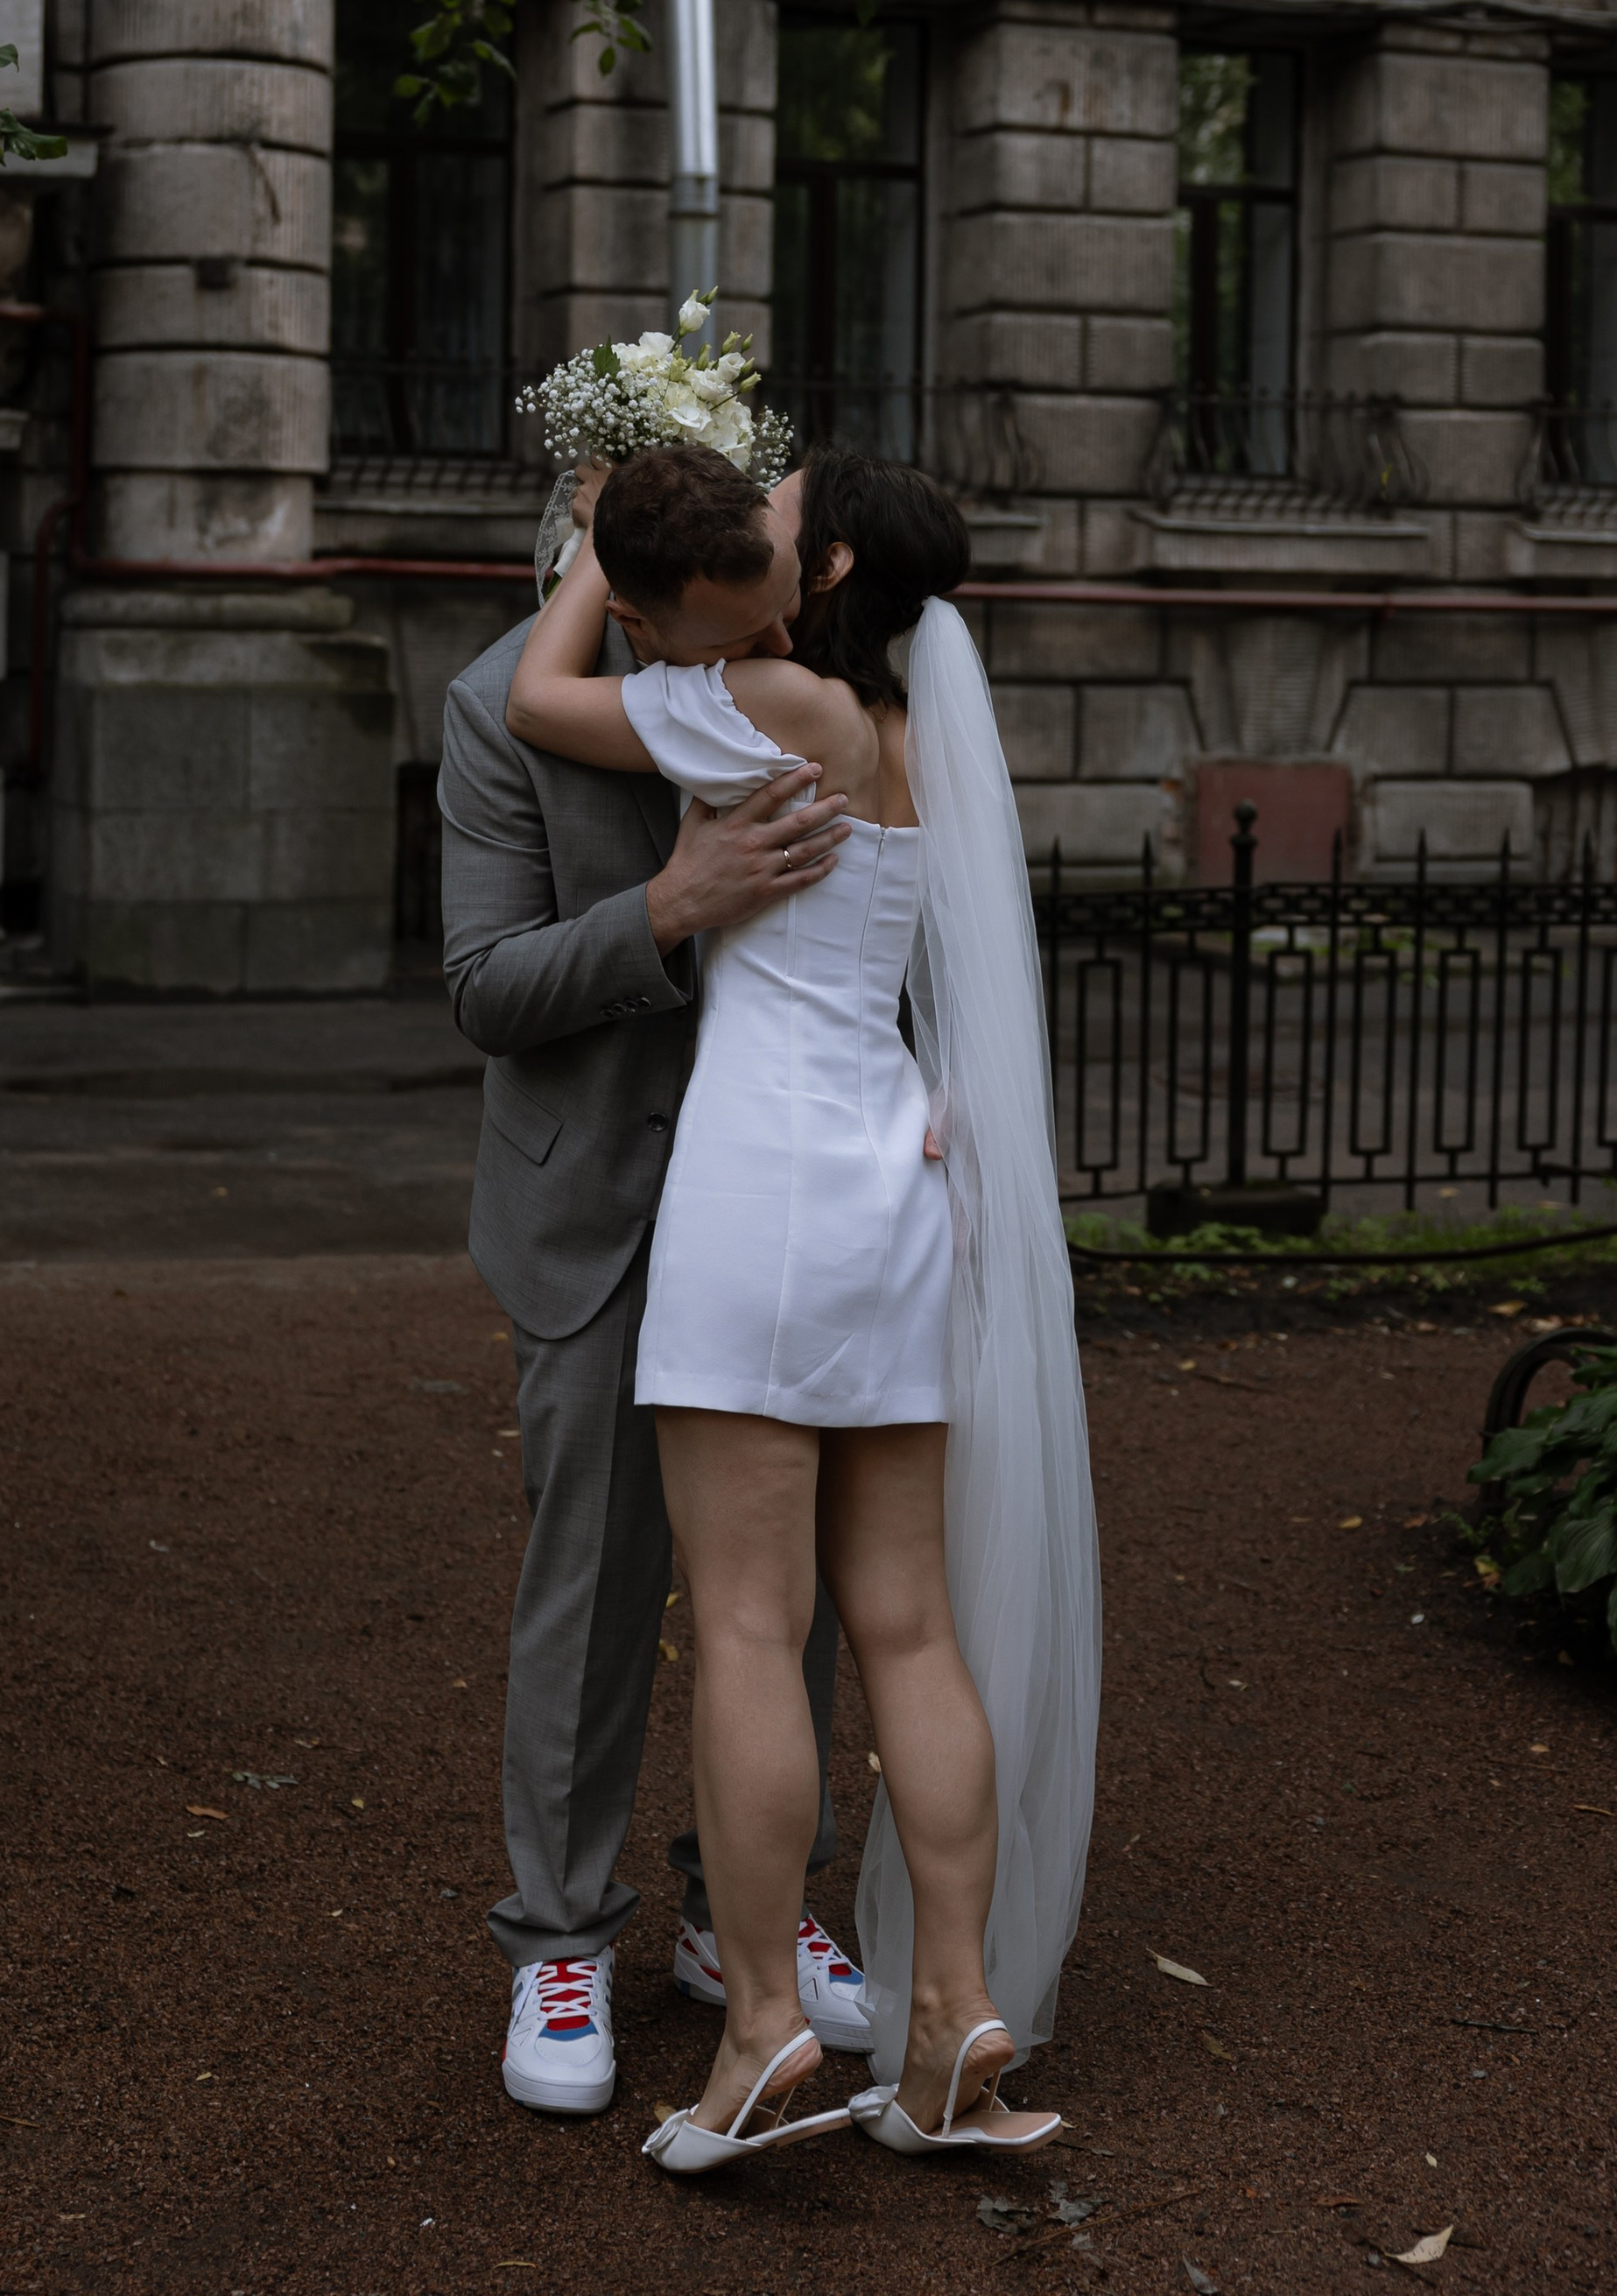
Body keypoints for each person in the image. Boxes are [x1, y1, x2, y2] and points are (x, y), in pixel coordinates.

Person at [506, 445, 1100, 2173]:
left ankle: (761, 2023)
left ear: (822, 567)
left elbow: (544, 699)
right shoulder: (917, 732)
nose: (760, 514)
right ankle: (954, 2015)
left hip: (761, 1189)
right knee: (905, 1630)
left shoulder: (761, 708)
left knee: (752, 1630)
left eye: (779, 510)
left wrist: (592, 538)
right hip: (896, 1183)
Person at [438, 451, 875, 2117]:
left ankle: (741, 1913)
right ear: (628, 609)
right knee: (597, 1580)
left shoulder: (801, 666)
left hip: (776, 1188)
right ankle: (559, 1938)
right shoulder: (499, 708)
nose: (763, 648)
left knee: (788, 1579)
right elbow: (485, 990)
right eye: (723, 630)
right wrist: (668, 909)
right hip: (599, 1203)